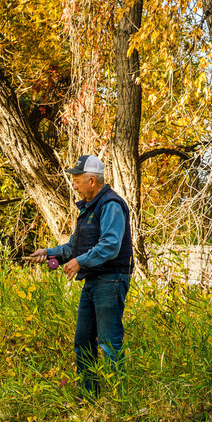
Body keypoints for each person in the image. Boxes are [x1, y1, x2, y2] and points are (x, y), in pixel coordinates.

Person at [31, 155, 134, 395]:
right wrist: (47, 253)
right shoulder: (89, 209)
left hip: (111, 280)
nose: (74, 186)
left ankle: (118, 402)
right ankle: (90, 398)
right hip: (93, 282)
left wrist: (80, 262)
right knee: (83, 342)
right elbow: (73, 248)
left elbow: (110, 245)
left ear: (91, 180)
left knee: (109, 344)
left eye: (76, 181)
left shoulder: (110, 205)